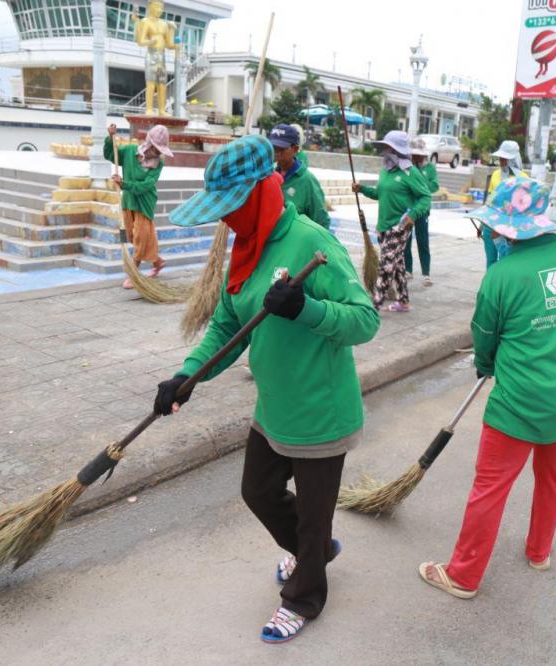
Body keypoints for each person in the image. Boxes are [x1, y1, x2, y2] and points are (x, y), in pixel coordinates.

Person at [159, 135, 381, 643]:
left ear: (260, 193)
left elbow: (366, 320)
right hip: (275, 405)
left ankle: (305, 596)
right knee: (257, 491)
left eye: (232, 206)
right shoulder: (248, 248)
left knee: (312, 518)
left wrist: (308, 308)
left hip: (321, 412)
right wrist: (187, 376)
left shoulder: (310, 242)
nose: (225, 218)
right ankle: (316, 551)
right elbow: (226, 325)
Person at [418, 176, 556, 599]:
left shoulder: (501, 276)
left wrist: (487, 366)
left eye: (494, 226)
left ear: (508, 228)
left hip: (519, 401)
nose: (490, 232)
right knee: (553, 477)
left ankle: (464, 576)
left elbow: (484, 343)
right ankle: (539, 552)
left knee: (490, 487)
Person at [351, 130, 432, 312]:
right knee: (397, 266)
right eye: (385, 147)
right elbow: (379, 193)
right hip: (383, 227)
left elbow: (426, 197)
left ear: (398, 150)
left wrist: (413, 216)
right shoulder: (385, 171)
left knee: (385, 265)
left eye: (388, 147)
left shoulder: (410, 173)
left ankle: (375, 305)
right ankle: (403, 302)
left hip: (400, 227)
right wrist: (362, 189)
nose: (384, 151)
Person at [105, 123, 172, 289]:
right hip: (128, 201)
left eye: (159, 150)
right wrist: (110, 137)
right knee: (132, 236)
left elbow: (146, 186)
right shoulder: (129, 152)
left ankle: (133, 274)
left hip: (144, 202)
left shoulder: (158, 164)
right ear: (148, 143)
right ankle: (158, 262)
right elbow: (110, 155)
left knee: (141, 237)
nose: (156, 153)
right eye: (155, 148)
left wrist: (124, 183)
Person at [269, 124, 331, 229]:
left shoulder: (308, 181)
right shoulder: (268, 175)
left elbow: (321, 222)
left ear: (295, 149)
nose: (277, 153)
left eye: (282, 149)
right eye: (273, 148)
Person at [483, 141, 528, 268]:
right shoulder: (496, 175)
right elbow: (490, 200)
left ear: (512, 160)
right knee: (491, 260)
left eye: (504, 158)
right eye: (501, 158)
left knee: (505, 259)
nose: (501, 161)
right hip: (490, 224)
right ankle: (490, 286)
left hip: (509, 225)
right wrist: (482, 224)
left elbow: (523, 206)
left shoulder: (523, 178)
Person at [405, 137, 439, 286]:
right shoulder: (407, 167)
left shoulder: (430, 168)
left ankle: (426, 273)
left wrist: (421, 186)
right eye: (413, 154)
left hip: (423, 210)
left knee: (422, 241)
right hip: (408, 209)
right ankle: (408, 270)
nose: (416, 157)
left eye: (418, 154)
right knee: (406, 241)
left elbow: (435, 185)